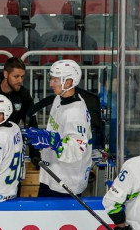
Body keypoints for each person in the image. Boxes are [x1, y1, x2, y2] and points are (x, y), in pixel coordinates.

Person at [25, 59, 92, 197]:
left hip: (65, 182)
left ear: (68, 82)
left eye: (55, 80)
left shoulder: (74, 113)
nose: (50, 83)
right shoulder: (60, 98)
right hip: (51, 174)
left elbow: (77, 149)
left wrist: (52, 141)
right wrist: (44, 136)